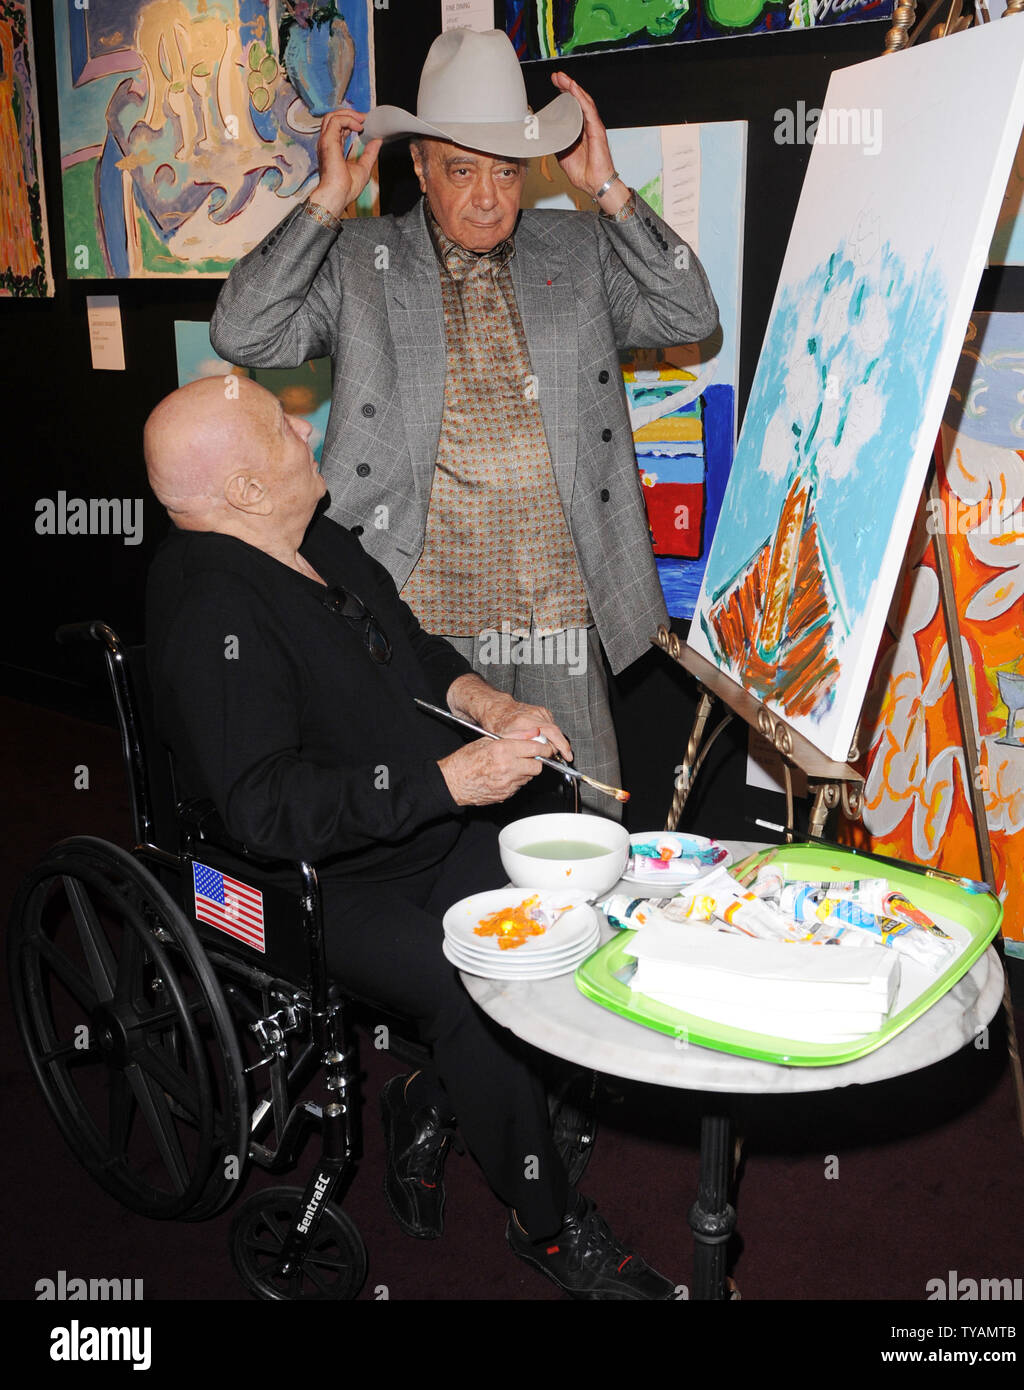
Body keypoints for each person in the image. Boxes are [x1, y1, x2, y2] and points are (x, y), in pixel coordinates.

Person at [142, 375, 679, 1300]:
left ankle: (430, 1095)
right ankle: (547, 1226)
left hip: (415, 830)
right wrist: (452, 779)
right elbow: (264, 812)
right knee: (476, 983)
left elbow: (415, 647)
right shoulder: (213, 615)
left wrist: (492, 704)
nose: (306, 425)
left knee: (558, 907)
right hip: (306, 887)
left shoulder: (315, 539)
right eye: (280, 425)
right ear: (241, 491)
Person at [210, 26, 719, 818]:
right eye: (461, 170)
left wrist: (610, 187)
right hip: (420, 618)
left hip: (558, 610)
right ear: (417, 166)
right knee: (436, 828)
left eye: (507, 172)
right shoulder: (358, 261)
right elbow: (242, 332)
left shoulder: (577, 249)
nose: (488, 197)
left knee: (582, 826)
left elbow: (689, 308)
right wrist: (325, 203)